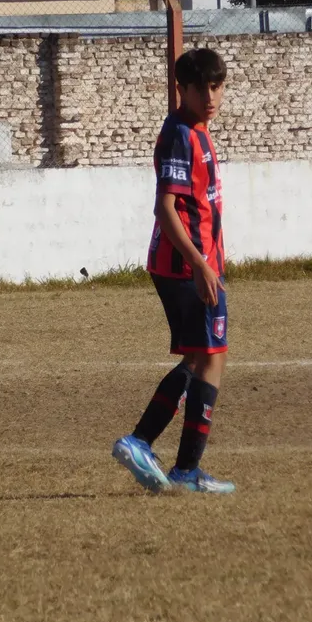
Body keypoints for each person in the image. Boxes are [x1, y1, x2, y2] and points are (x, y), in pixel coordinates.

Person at [110, 48, 234, 495]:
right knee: (210, 358)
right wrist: (201, 265)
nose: (210, 95)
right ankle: (163, 454)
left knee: (204, 357)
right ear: (182, 88)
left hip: (196, 264)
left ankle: (160, 453)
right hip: (186, 267)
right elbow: (166, 207)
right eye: (201, 87)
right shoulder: (182, 132)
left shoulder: (197, 130)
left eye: (217, 86)